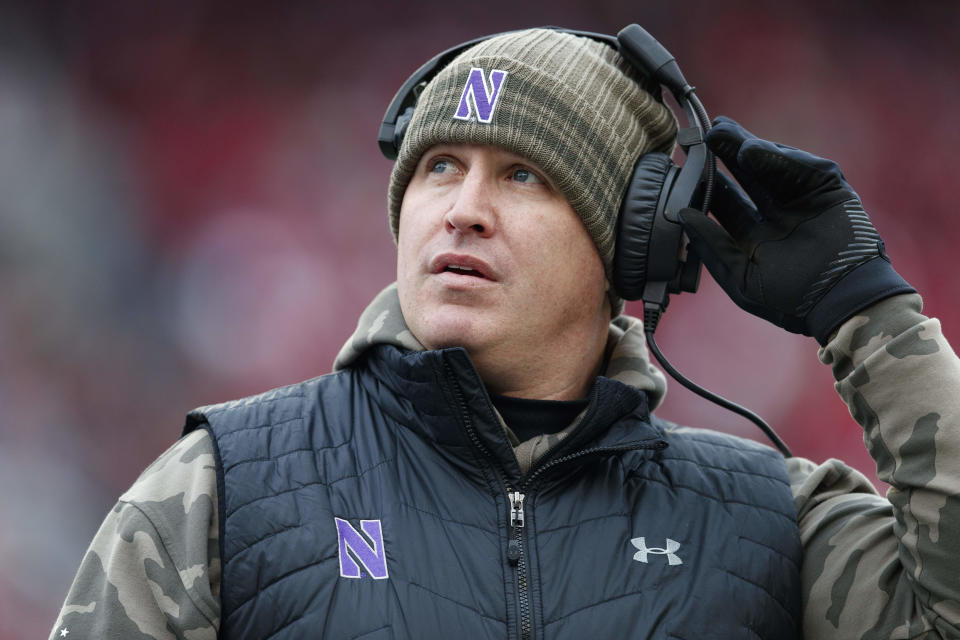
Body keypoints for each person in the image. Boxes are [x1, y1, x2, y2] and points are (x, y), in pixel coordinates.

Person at [50, 27, 960, 640]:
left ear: (630, 237)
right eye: (440, 167)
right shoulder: (224, 489)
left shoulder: (768, 523)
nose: (464, 211)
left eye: (524, 176)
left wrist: (867, 313)